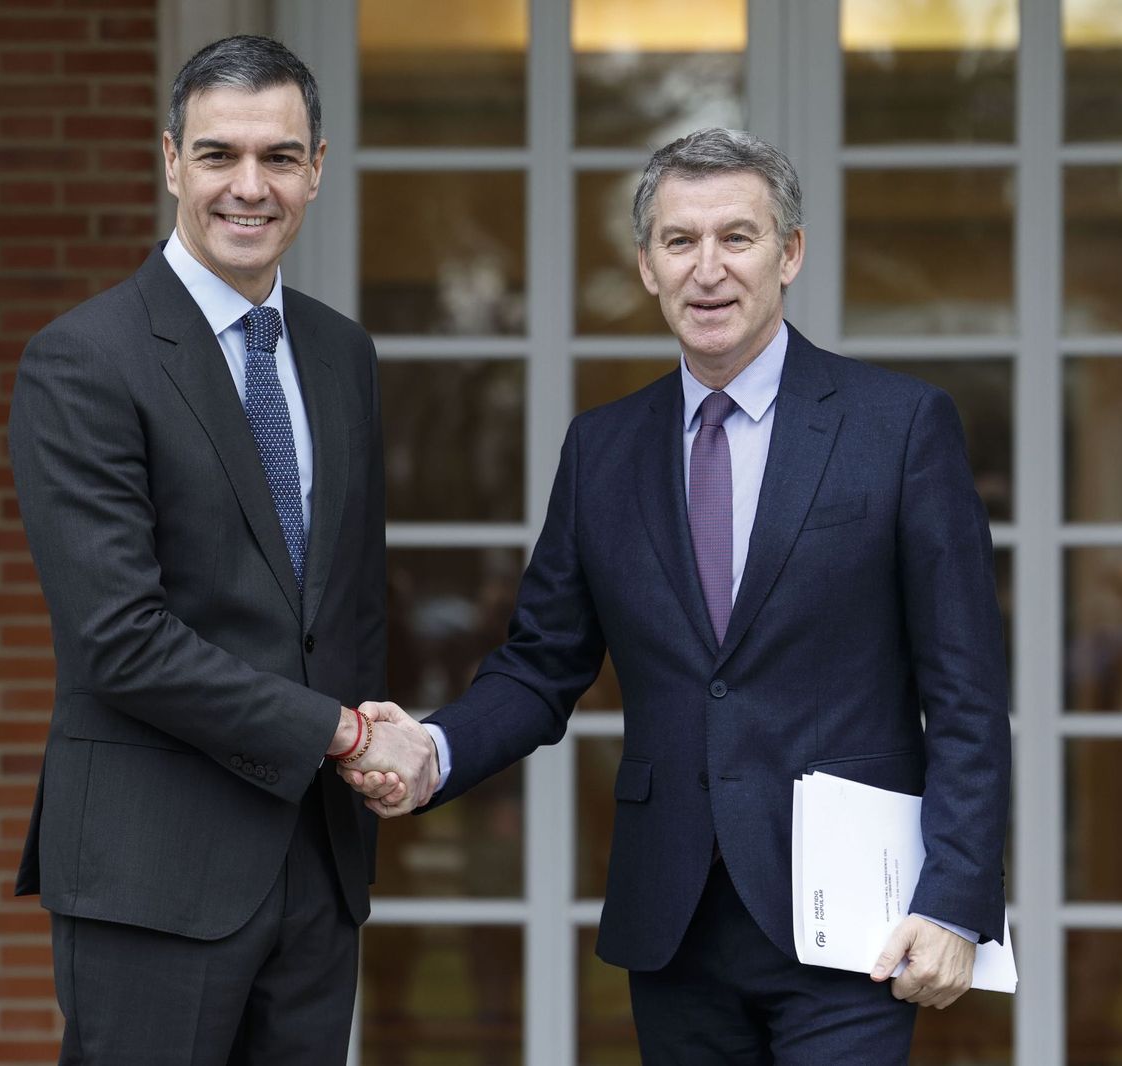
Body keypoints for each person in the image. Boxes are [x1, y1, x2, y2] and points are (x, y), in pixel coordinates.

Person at [347, 128, 1010, 1063]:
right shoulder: (602, 449)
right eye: (679, 241)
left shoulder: (898, 427)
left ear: (790, 254)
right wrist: (435, 749)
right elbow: (541, 667)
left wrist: (957, 898)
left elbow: (968, 692)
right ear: (648, 268)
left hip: (856, 924)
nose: (709, 269)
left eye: (737, 238)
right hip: (676, 920)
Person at [9, 35, 436, 1065]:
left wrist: (377, 742)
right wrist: (336, 731)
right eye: (218, 155)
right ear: (170, 162)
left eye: (279, 157)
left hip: (316, 869)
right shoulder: (84, 359)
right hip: (152, 873)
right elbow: (119, 637)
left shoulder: (341, 353)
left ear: (318, 169)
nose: (250, 187)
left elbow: (346, 604)